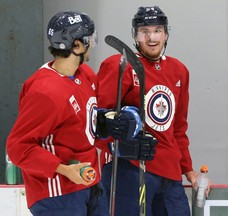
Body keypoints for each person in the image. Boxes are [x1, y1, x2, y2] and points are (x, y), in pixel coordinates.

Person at [6, 10, 152, 216]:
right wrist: (64, 170)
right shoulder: (45, 92)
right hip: (57, 193)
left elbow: (82, 121)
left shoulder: (86, 75)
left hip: (90, 183)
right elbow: (18, 147)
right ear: (76, 46)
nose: (92, 43)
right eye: (89, 39)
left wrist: (106, 122)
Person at [96, 6, 210, 216]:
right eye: (144, 32)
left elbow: (178, 128)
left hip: (170, 172)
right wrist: (125, 147)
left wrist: (188, 169)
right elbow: (97, 124)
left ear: (166, 34)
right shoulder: (119, 66)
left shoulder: (179, 71)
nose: (151, 38)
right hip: (130, 169)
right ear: (135, 35)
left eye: (157, 30)